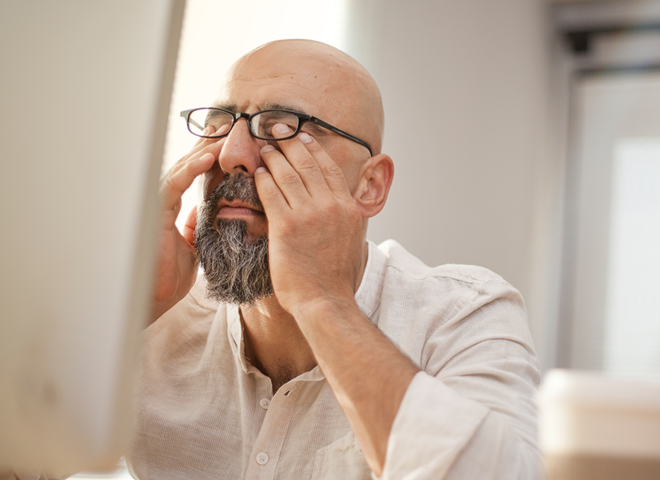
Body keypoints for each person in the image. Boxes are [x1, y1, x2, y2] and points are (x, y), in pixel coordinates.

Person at [133, 39, 541, 480]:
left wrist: (322, 300)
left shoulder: (464, 315)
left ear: (370, 186)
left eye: (281, 129)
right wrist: (130, 315)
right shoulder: (158, 307)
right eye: (218, 125)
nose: (231, 155)